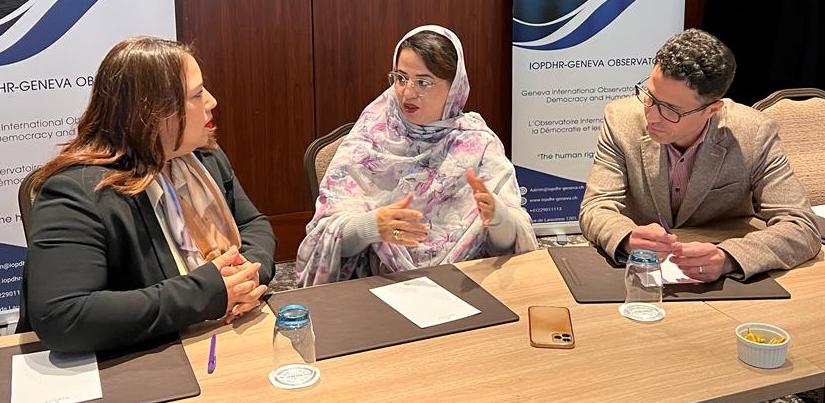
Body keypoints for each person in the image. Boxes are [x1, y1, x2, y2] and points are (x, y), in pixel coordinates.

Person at [19, 37, 276, 352]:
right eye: (197, 94)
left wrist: (249, 273)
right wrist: (207, 293)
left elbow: (252, 224)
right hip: (143, 357)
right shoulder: (76, 192)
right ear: (153, 112)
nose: (211, 101)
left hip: (222, 333)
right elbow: (63, 316)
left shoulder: (204, 156)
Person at [296, 25, 538, 286]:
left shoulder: (477, 144)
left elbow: (512, 244)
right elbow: (322, 237)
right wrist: (372, 226)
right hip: (380, 287)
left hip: (464, 285)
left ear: (454, 88)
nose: (407, 92)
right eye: (401, 78)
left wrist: (498, 219)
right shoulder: (369, 138)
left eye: (423, 82)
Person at [579, 29, 820, 282]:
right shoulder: (621, 119)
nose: (651, 115)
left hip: (721, 276)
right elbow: (596, 207)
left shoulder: (753, 133)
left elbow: (802, 226)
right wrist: (628, 237)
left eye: (671, 110)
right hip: (640, 270)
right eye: (650, 96)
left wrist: (729, 257)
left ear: (712, 110)